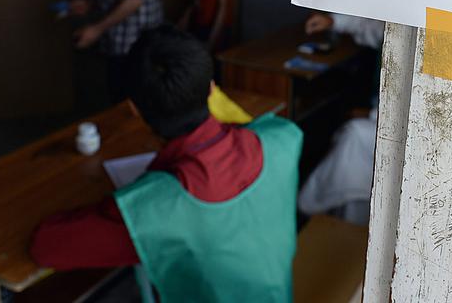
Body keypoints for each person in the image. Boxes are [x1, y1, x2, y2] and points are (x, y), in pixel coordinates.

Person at [30, 26, 303, 302]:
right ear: (211, 90)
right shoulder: (283, 138)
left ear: (134, 108)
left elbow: (47, 247)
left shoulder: (157, 210)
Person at [298, 12, 384, 224]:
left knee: (353, 136)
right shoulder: (404, 24)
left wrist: (374, 116)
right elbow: (371, 27)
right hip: (378, 114)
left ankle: (307, 206)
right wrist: (334, 21)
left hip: (392, 128)